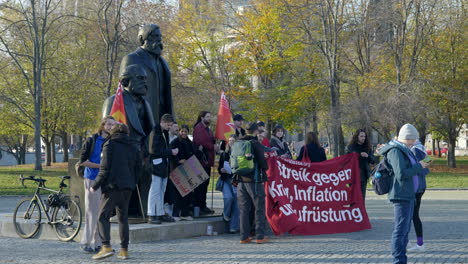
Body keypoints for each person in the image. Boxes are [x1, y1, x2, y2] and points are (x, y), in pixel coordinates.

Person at [102, 64, 155, 217]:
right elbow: (106, 129)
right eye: (140, 78)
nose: (145, 82)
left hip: (141, 151)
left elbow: (150, 130)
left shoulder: (146, 104)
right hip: (121, 152)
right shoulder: (113, 101)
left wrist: (146, 151)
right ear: (125, 82)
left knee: (150, 170)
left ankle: (145, 211)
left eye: (145, 79)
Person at [378, 124, 430, 264]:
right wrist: (420, 165)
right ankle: (398, 260)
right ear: (407, 138)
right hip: (401, 195)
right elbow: (401, 174)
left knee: (405, 230)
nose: (415, 142)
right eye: (413, 139)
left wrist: (421, 165)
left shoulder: (405, 150)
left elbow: (410, 170)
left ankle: (402, 260)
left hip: (409, 194)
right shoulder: (395, 151)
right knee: (400, 230)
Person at [91, 123, 140, 260]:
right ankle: (124, 250)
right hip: (128, 187)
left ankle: (106, 246)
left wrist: (95, 185)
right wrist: (132, 182)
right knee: (123, 218)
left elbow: (104, 169)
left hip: (112, 186)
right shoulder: (134, 145)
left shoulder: (110, 144)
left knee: (102, 216)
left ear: (113, 132)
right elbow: (138, 168)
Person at [119, 24, 173, 125]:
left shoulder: (163, 62)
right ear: (141, 39)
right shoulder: (132, 58)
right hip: (142, 117)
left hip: (162, 120)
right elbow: (123, 89)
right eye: (154, 37)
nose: (159, 41)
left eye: (160, 37)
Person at [78, 116, 115, 254]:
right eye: (109, 124)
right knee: (91, 212)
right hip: (92, 179)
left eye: (113, 125)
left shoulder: (111, 141)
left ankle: (99, 243)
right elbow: (82, 161)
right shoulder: (92, 140)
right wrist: (100, 166)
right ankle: (86, 242)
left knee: (102, 214)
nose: (111, 127)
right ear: (103, 125)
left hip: (106, 181)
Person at [234, 122, 269, 244]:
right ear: (255, 131)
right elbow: (263, 164)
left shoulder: (238, 143)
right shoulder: (255, 143)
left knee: (244, 209)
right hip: (254, 180)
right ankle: (260, 236)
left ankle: (244, 236)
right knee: (259, 208)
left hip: (240, 180)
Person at [147, 113, 178, 224]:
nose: (169, 128)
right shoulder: (155, 132)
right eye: (168, 125)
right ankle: (152, 213)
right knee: (155, 190)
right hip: (156, 165)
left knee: (161, 190)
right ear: (163, 122)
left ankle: (159, 212)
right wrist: (170, 151)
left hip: (163, 165)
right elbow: (153, 150)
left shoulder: (163, 132)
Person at [193, 111, 218, 215]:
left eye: (210, 116)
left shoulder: (208, 129)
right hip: (201, 161)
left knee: (205, 184)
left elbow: (210, 140)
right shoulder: (199, 128)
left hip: (207, 161)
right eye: (207, 117)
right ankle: (198, 206)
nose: (209, 118)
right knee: (200, 185)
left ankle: (202, 205)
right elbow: (201, 142)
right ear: (202, 117)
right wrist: (213, 147)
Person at [170, 125, 196, 221]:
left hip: (188, 170)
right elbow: (171, 156)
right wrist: (178, 161)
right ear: (179, 132)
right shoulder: (175, 142)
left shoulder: (189, 142)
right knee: (178, 193)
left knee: (188, 192)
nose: (184, 133)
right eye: (182, 131)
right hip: (177, 170)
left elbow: (193, 154)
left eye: (186, 131)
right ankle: (176, 213)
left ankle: (184, 213)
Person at [408, 140, 429, 252]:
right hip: (420, 186)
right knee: (413, 215)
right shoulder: (420, 147)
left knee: (412, 215)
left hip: (417, 187)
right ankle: (418, 243)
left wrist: (417, 168)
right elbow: (429, 159)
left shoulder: (415, 149)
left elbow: (425, 163)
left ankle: (419, 244)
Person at [218, 134, 240, 233]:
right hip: (226, 179)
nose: (231, 142)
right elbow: (219, 167)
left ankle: (233, 227)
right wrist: (221, 170)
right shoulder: (224, 154)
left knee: (236, 204)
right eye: (230, 140)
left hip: (236, 180)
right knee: (228, 197)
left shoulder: (240, 154)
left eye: (233, 140)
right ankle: (226, 214)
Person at [346, 129, 375, 201]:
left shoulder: (367, 147)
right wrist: (358, 155)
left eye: (364, 136)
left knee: (361, 198)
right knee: (353, 197)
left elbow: (373, 160)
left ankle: (361, 211)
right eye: (361, 136)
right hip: (353, 175)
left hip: (363, 175)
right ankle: (353, 211)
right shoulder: (351, 147)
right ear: (357, 137)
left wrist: (367, 156)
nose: (363, 138)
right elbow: (347, 159)